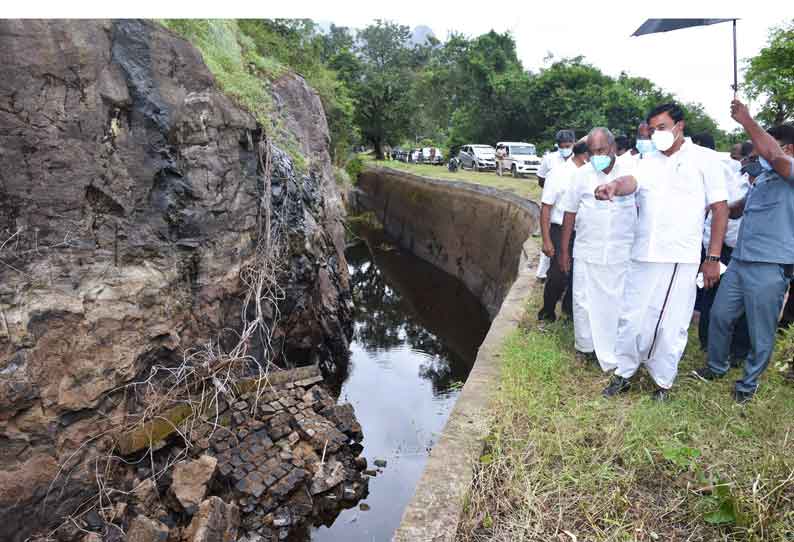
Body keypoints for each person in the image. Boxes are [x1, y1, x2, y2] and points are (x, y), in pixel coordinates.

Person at [595, 102, 729, 401]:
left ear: (679, 126)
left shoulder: (704, 160)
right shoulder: (647, 160)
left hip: (679, 257)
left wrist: (713, 258)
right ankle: (625, 372)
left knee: (671, 323)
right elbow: (632, 182)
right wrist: (615, 185)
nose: (656, 134)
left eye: (662, 128)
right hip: (644, 253)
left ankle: (662, 382)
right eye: (652, 129)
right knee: (633, 318)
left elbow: (720, 209)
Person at [693, 99, 794, 402]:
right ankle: (717, 365)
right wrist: (720, 204)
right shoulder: (762, 179)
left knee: (760, 331)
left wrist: (747, 120)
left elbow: (772, 154)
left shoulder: (789, 170)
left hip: (771, 265)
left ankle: (748, 384)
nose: (760, 152)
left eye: (770, 145)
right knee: (721, 315)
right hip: (740, 260)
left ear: (787, 148)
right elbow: (738, 211)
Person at [559, 128, 636, 370]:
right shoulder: (581, 176)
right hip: (586, 250)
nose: (596, 157)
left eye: (601, 150)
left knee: (617, 302)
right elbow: (569, 214)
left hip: (621, 253)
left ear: (613, 148)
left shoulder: (631, 172)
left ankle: (615, 348)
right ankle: (586, 348)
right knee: (583, 301)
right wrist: (564, 251)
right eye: (592, 152)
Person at [537, 141, 589, 322]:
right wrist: (546, 240)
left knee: (577, 274)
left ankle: (569, 311)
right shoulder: (559, 173)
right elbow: (545, 208)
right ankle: (547, 312)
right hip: (559, 229)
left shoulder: (589, 174)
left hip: (582, 231)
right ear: (585, 155)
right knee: (559, 273)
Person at [535, 130, 576, 281]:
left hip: (571, 211)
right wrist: (551, 190)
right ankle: (542, 274)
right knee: (550, 242)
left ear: (573, 143)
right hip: (554, 205)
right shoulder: (550, 159)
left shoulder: (579, 160)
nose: (565, 149)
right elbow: (541, 178)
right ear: (557, 145)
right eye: (562, 146)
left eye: (568, 145)